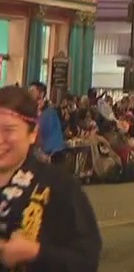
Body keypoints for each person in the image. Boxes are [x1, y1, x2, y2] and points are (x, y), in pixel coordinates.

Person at [0, 86, 101, 271]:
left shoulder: (59, 186)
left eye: (8, 130)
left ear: (32, 133)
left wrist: (36, 253)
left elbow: (85, 260)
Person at [26, 83, 65, 161]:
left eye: (32, 90)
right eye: (29, 90)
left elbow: (40, 131)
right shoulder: (34, 110)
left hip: (51, 153)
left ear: (41, 94)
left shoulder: (49, 112)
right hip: (41, 152)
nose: (29, 93)